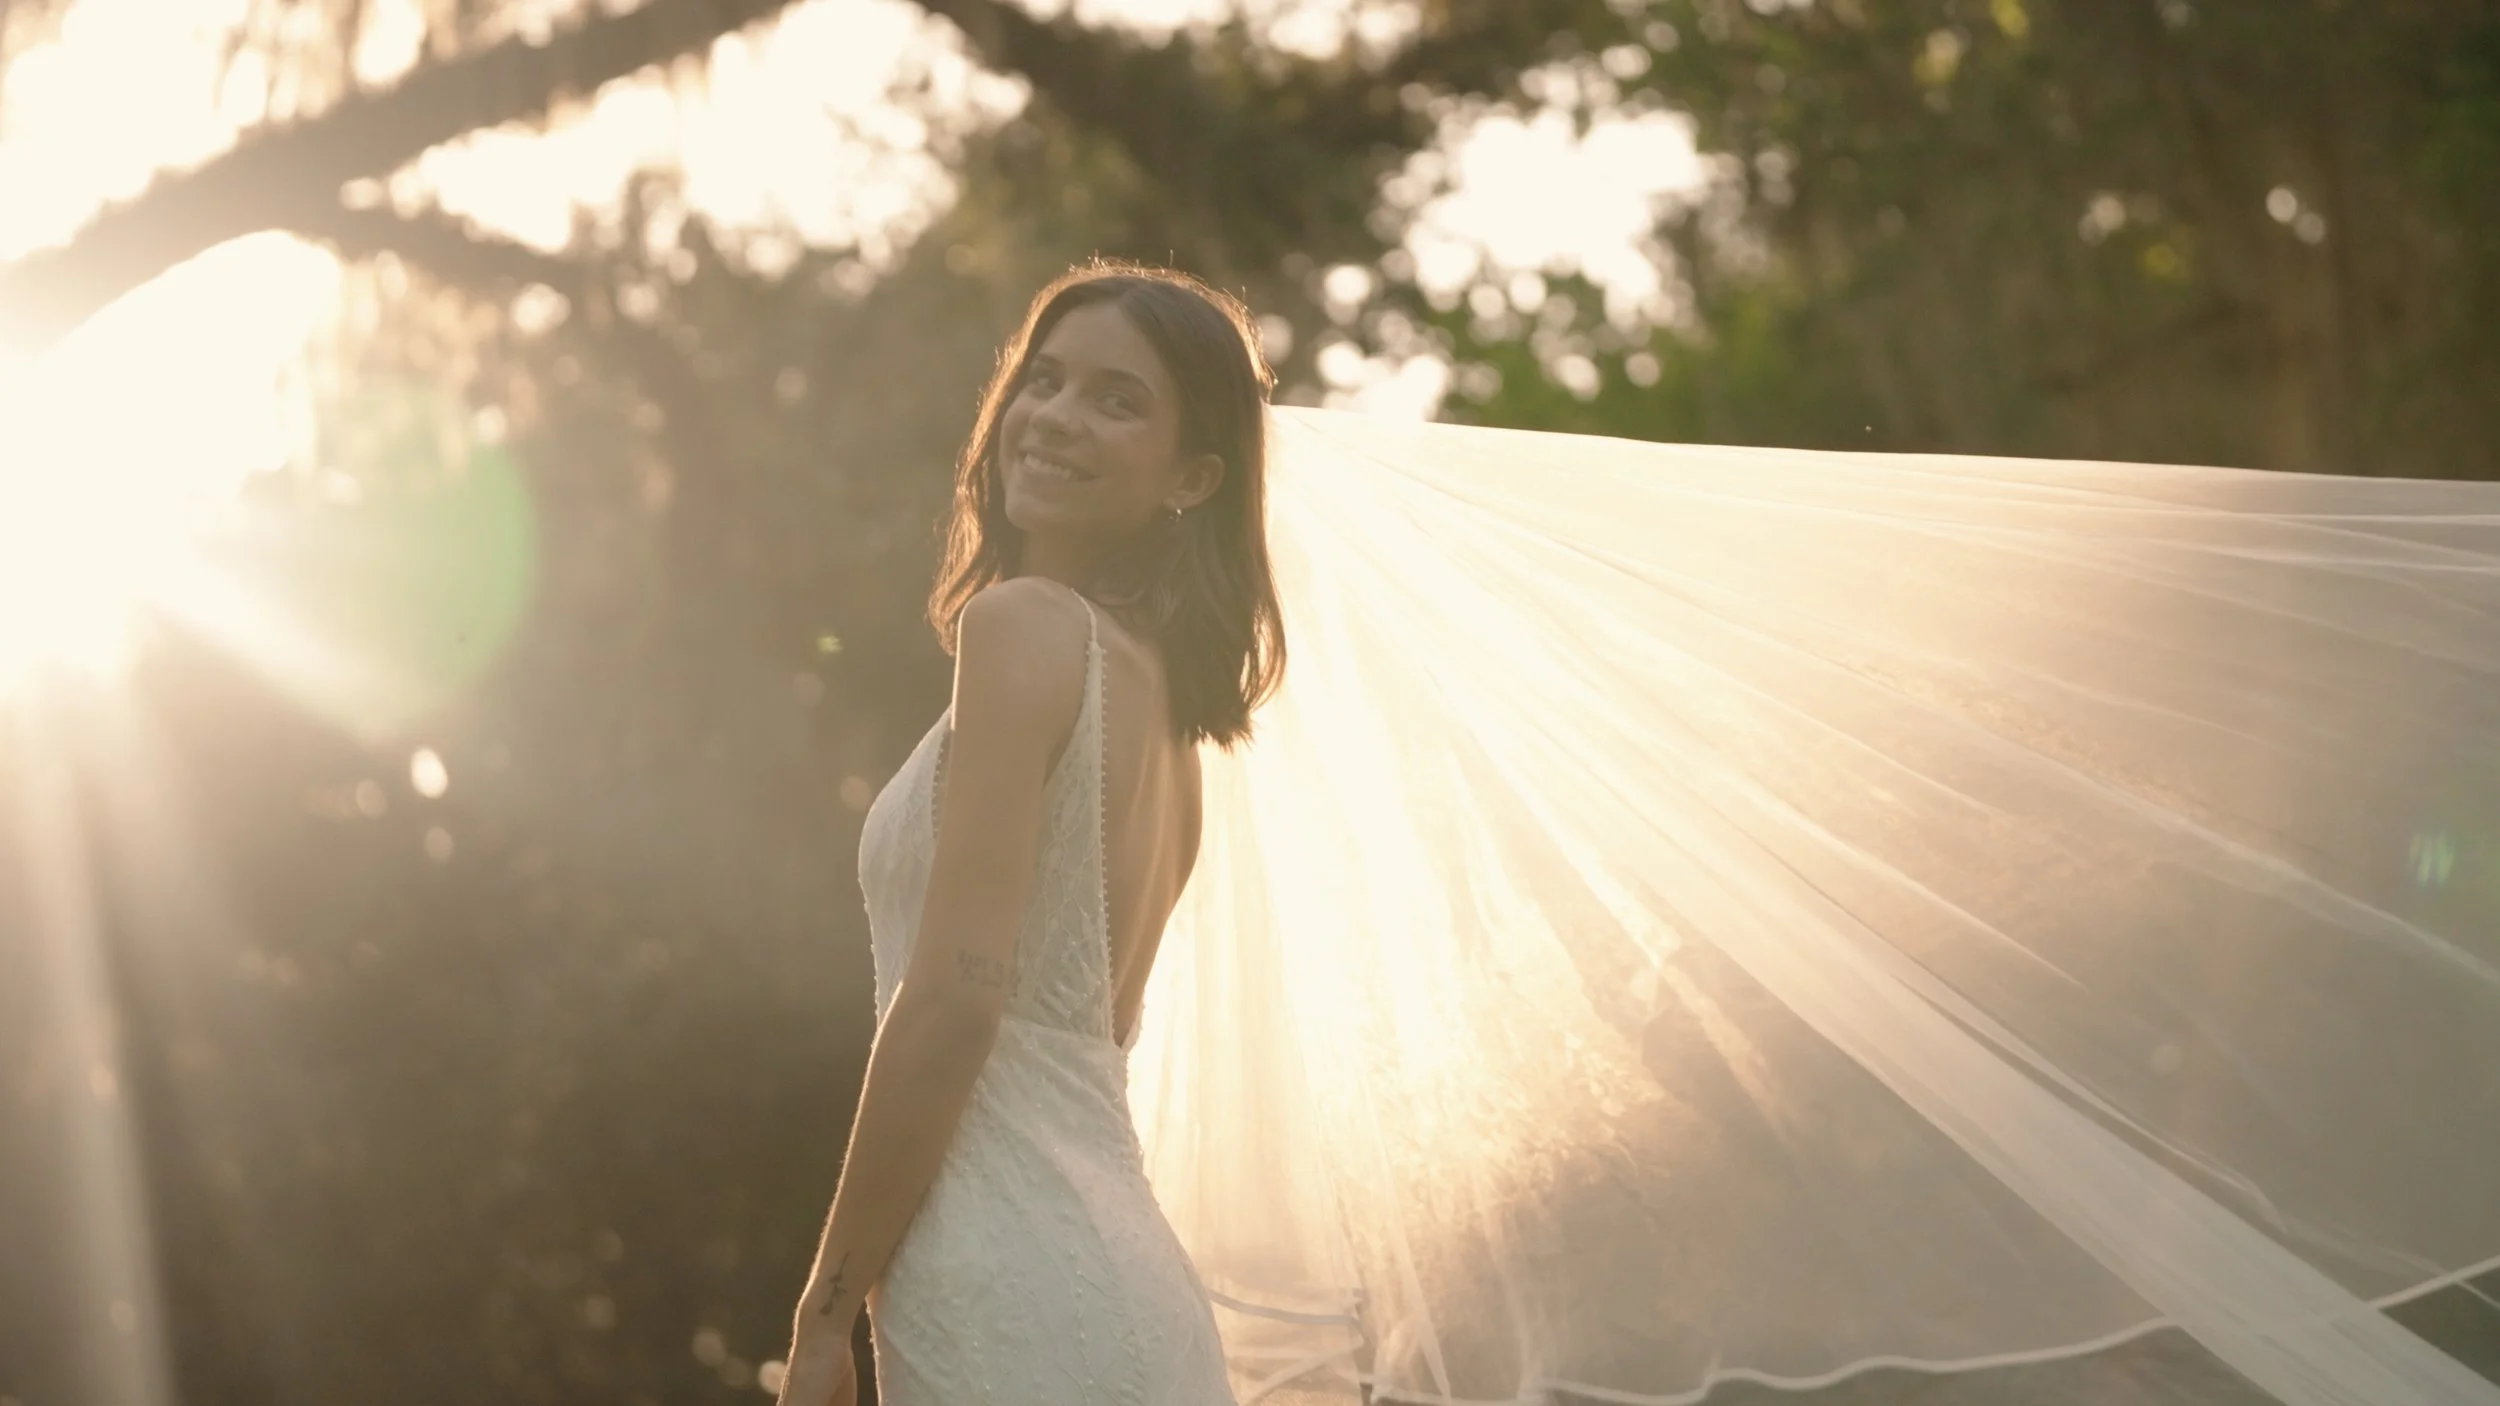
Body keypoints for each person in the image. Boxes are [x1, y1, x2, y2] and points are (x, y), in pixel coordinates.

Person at [774, 262, 1281, 1406]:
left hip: (1009, 1282)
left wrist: (824, 1309)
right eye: (1043, 380)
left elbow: (958, 991)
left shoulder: (1021, 629)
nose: (1054, 416)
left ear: (1193, 475)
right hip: (1133, 1293)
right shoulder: (1177, 738)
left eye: (1117, 399)